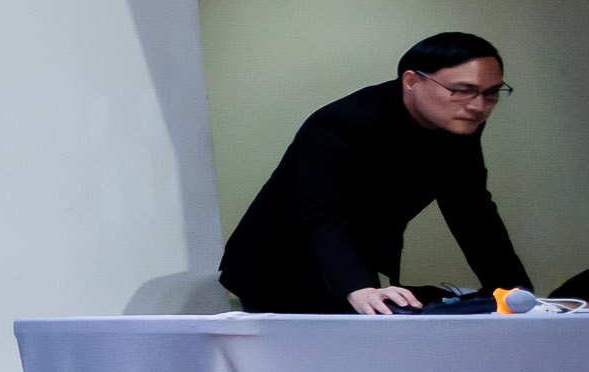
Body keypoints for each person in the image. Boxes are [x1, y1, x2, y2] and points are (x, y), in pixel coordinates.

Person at [219, 34, 531, 313]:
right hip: (276, 266)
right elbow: (323, 215)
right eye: (462, 90)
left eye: (491, 93)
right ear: (412, 81)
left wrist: (515, 291)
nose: (478, 105)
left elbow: (472, 210)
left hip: (347, 260)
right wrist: (357, 287)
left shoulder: (457, 122)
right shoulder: (339, 123)